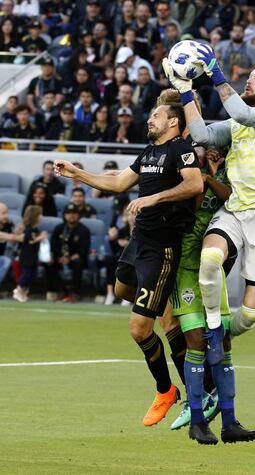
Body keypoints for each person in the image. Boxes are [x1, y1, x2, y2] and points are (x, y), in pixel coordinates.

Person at [163, 53, 255, 438]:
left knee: (251, 315)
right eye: (247, 76)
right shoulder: (235, 125)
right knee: (210, 257)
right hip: (236, 211)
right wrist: (186, 93)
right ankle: (211, 327)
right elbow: (202, 136)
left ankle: (222, 335)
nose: (248, 81)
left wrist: (216, 74)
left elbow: (241, 109)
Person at [54, 102, 203, 427]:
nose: (149, 119)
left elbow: (195, 185)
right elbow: (118, 183)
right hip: (139, 243)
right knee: (123, 286)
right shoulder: (149, 152)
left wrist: (154, 198)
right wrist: (77, 173)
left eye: (156, 115)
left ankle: (167, 390)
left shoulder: (182, 149)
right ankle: (158, 308)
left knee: (139, 328)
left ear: (174, 122)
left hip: (162, 247)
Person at [45, 203, 91, 303]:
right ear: (64, 215)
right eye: (68, 213)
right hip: (60, 258)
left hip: (75, 258)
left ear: (78, 215)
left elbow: (83, 250)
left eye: (74, 213)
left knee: (78, 262)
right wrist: (58, 257)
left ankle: (75, 293)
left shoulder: (84, 230)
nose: (71, 215)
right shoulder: (59, 228)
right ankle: (62, 291)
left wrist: (69, 258)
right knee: (48, 263)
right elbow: (53, 246)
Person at [13, 205, 47, 302]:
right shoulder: (29, 229)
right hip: (26, 256)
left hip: (33, 256)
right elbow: (30, 241)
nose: (41, 217)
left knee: (33, 274)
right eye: (40, 214)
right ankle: (18, 289)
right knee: (27, 273)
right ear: (34, 216)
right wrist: (40, 237)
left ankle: (24, 291)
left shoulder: (35, 229)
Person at [215, 23, 255, 94]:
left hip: (240, 88)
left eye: (240, 31)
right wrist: (218, 61)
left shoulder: (250, 48)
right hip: (221, 85)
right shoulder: (222, 45)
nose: (237, 33)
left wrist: (244, 70)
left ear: (244, 33)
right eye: (235, 31)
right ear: (231, 33)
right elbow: (214, 59)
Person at [0, 203, 14, 289]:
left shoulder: (8, 224)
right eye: (3, 213)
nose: (6, 216)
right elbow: (6, 236)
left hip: (1, 257)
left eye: (7, 213)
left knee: (6, 260)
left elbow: (14, 235)